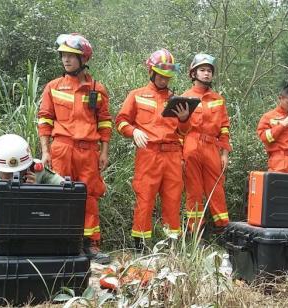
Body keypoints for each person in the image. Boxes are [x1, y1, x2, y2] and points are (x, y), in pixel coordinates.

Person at [37, 33, 112, 264]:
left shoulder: (98, 89)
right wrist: (46, 150)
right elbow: (45, 119)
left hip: (88, 151)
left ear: (83, 59)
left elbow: (105, 122)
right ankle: (60, 242)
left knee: (89, 196)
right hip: (61, 149)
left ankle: (91, 245)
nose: (66, 60)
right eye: (64, 55)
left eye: (72, 56)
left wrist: (104, 151)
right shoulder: (53, 87)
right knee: (59, 195)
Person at [115, 49, 190, 250]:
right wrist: (133, 131)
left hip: (173, 153)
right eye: (161, 74)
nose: (164, 79)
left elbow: (183, 132)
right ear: (152, 71)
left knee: (173, 199)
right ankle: (139, 245)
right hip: (148, 153)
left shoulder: (176, 99)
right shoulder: (136, 95)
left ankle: (172, 244)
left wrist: (184, 119)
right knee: (144, 197)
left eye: (168, 75)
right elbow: (121, 121)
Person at [0, 134, 64, 268]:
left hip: (33, 231)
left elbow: (67, 193)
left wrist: (37, 190)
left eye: (20, 172)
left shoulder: (37, 170)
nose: (13, 177)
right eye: (7, 174)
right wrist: (2, 223)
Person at [181, 53, 231, 234]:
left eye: (209, 70)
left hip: (212, 147)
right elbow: (178, 128)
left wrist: (224, 154)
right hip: (191, 144)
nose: (207, 73)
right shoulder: (184, 97)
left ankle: (223, 229)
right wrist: (180, 155)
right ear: (193, 73)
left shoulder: (218, 99)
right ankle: (196, 232)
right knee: (193, 190)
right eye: (202, 70)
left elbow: (224, 128)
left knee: (216, 188)